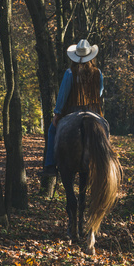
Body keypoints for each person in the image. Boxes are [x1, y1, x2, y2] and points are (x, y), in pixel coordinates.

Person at [40, 39, 104, 177]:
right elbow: (100, 92)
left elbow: (63, 95)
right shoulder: (98, 73)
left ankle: (50, 165)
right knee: (105, 130)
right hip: (93, 110)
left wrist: (57, 113)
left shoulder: (70, 73)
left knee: (52, 131)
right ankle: (105, 161)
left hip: (73, 110)